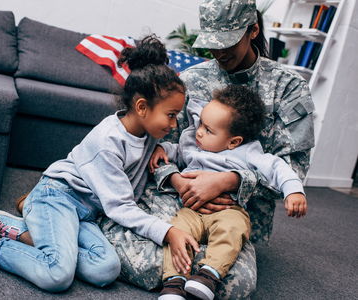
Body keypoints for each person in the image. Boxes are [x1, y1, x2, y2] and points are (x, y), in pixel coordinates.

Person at [0, 35, 196, 293]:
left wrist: (164, 148)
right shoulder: (108, 143)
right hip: (57, 197)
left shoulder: (147, 134)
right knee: (56, 275)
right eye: (170, 116)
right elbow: (120, 207)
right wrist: (169, 231)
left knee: (106, 269)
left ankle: (17, 230)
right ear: (142, 107)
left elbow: (172, 149)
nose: (173, 125)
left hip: (85, 213)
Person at [97, 0, 315, 298]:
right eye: (213, 44)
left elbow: (293, 170)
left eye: (227, 43)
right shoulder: (191, 80)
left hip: (235, 209)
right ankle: (182, 274)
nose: (219, 53)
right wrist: (176, 179)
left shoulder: (289, 88)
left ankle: (192, 272)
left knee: (236, 285)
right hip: (179, 197)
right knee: (136, 236)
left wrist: (230, 181)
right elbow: (163, 143)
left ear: (253, 31)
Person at [151, 85, 307, 300]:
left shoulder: (247, 151)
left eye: (208, 130)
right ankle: (174, 282)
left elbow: (276, 166)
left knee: (234, 228)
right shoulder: (194, 143)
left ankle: (209, 275)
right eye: (201, 124)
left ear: (234, 141)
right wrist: (162, 149)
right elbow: (177, 150)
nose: (199, 131)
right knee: (176, 232)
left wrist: (294, 190)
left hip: (228, 209)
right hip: (190, 210)